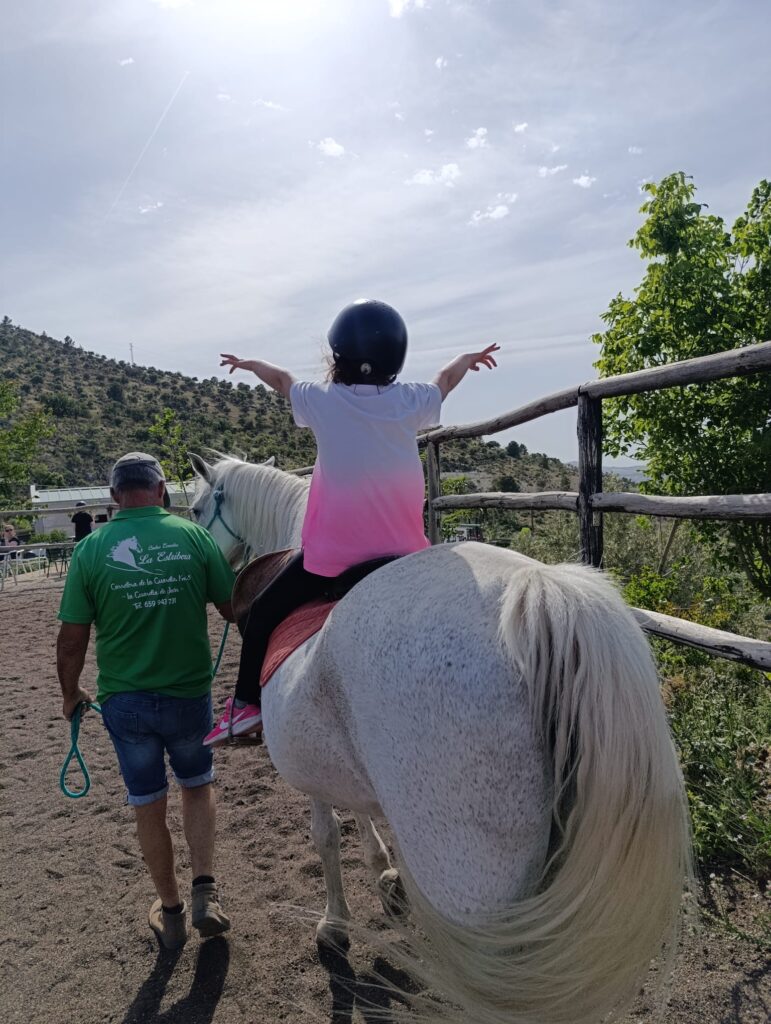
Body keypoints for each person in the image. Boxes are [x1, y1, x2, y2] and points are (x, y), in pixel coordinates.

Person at [204, 298, 499, 746]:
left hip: (331, 559)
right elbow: (445, 380)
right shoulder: (410, 400)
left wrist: (250, 364)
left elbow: (281, 379)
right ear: (396, 357)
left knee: (261, 610)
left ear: (337, 356)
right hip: (404, 554)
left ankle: (245, 707)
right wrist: (466, 358)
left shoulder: (322, 400)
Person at [56, 452, 237, 950]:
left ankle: (172, 911)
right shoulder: (195, 538)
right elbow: (233, 607)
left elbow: (71, 641)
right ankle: (207, 891)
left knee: (147, 804)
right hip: (188, 696)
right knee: (197, 787)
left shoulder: (91, 550)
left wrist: (71, 695)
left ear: (115, 498)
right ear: (161, 491)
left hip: (125, 704)